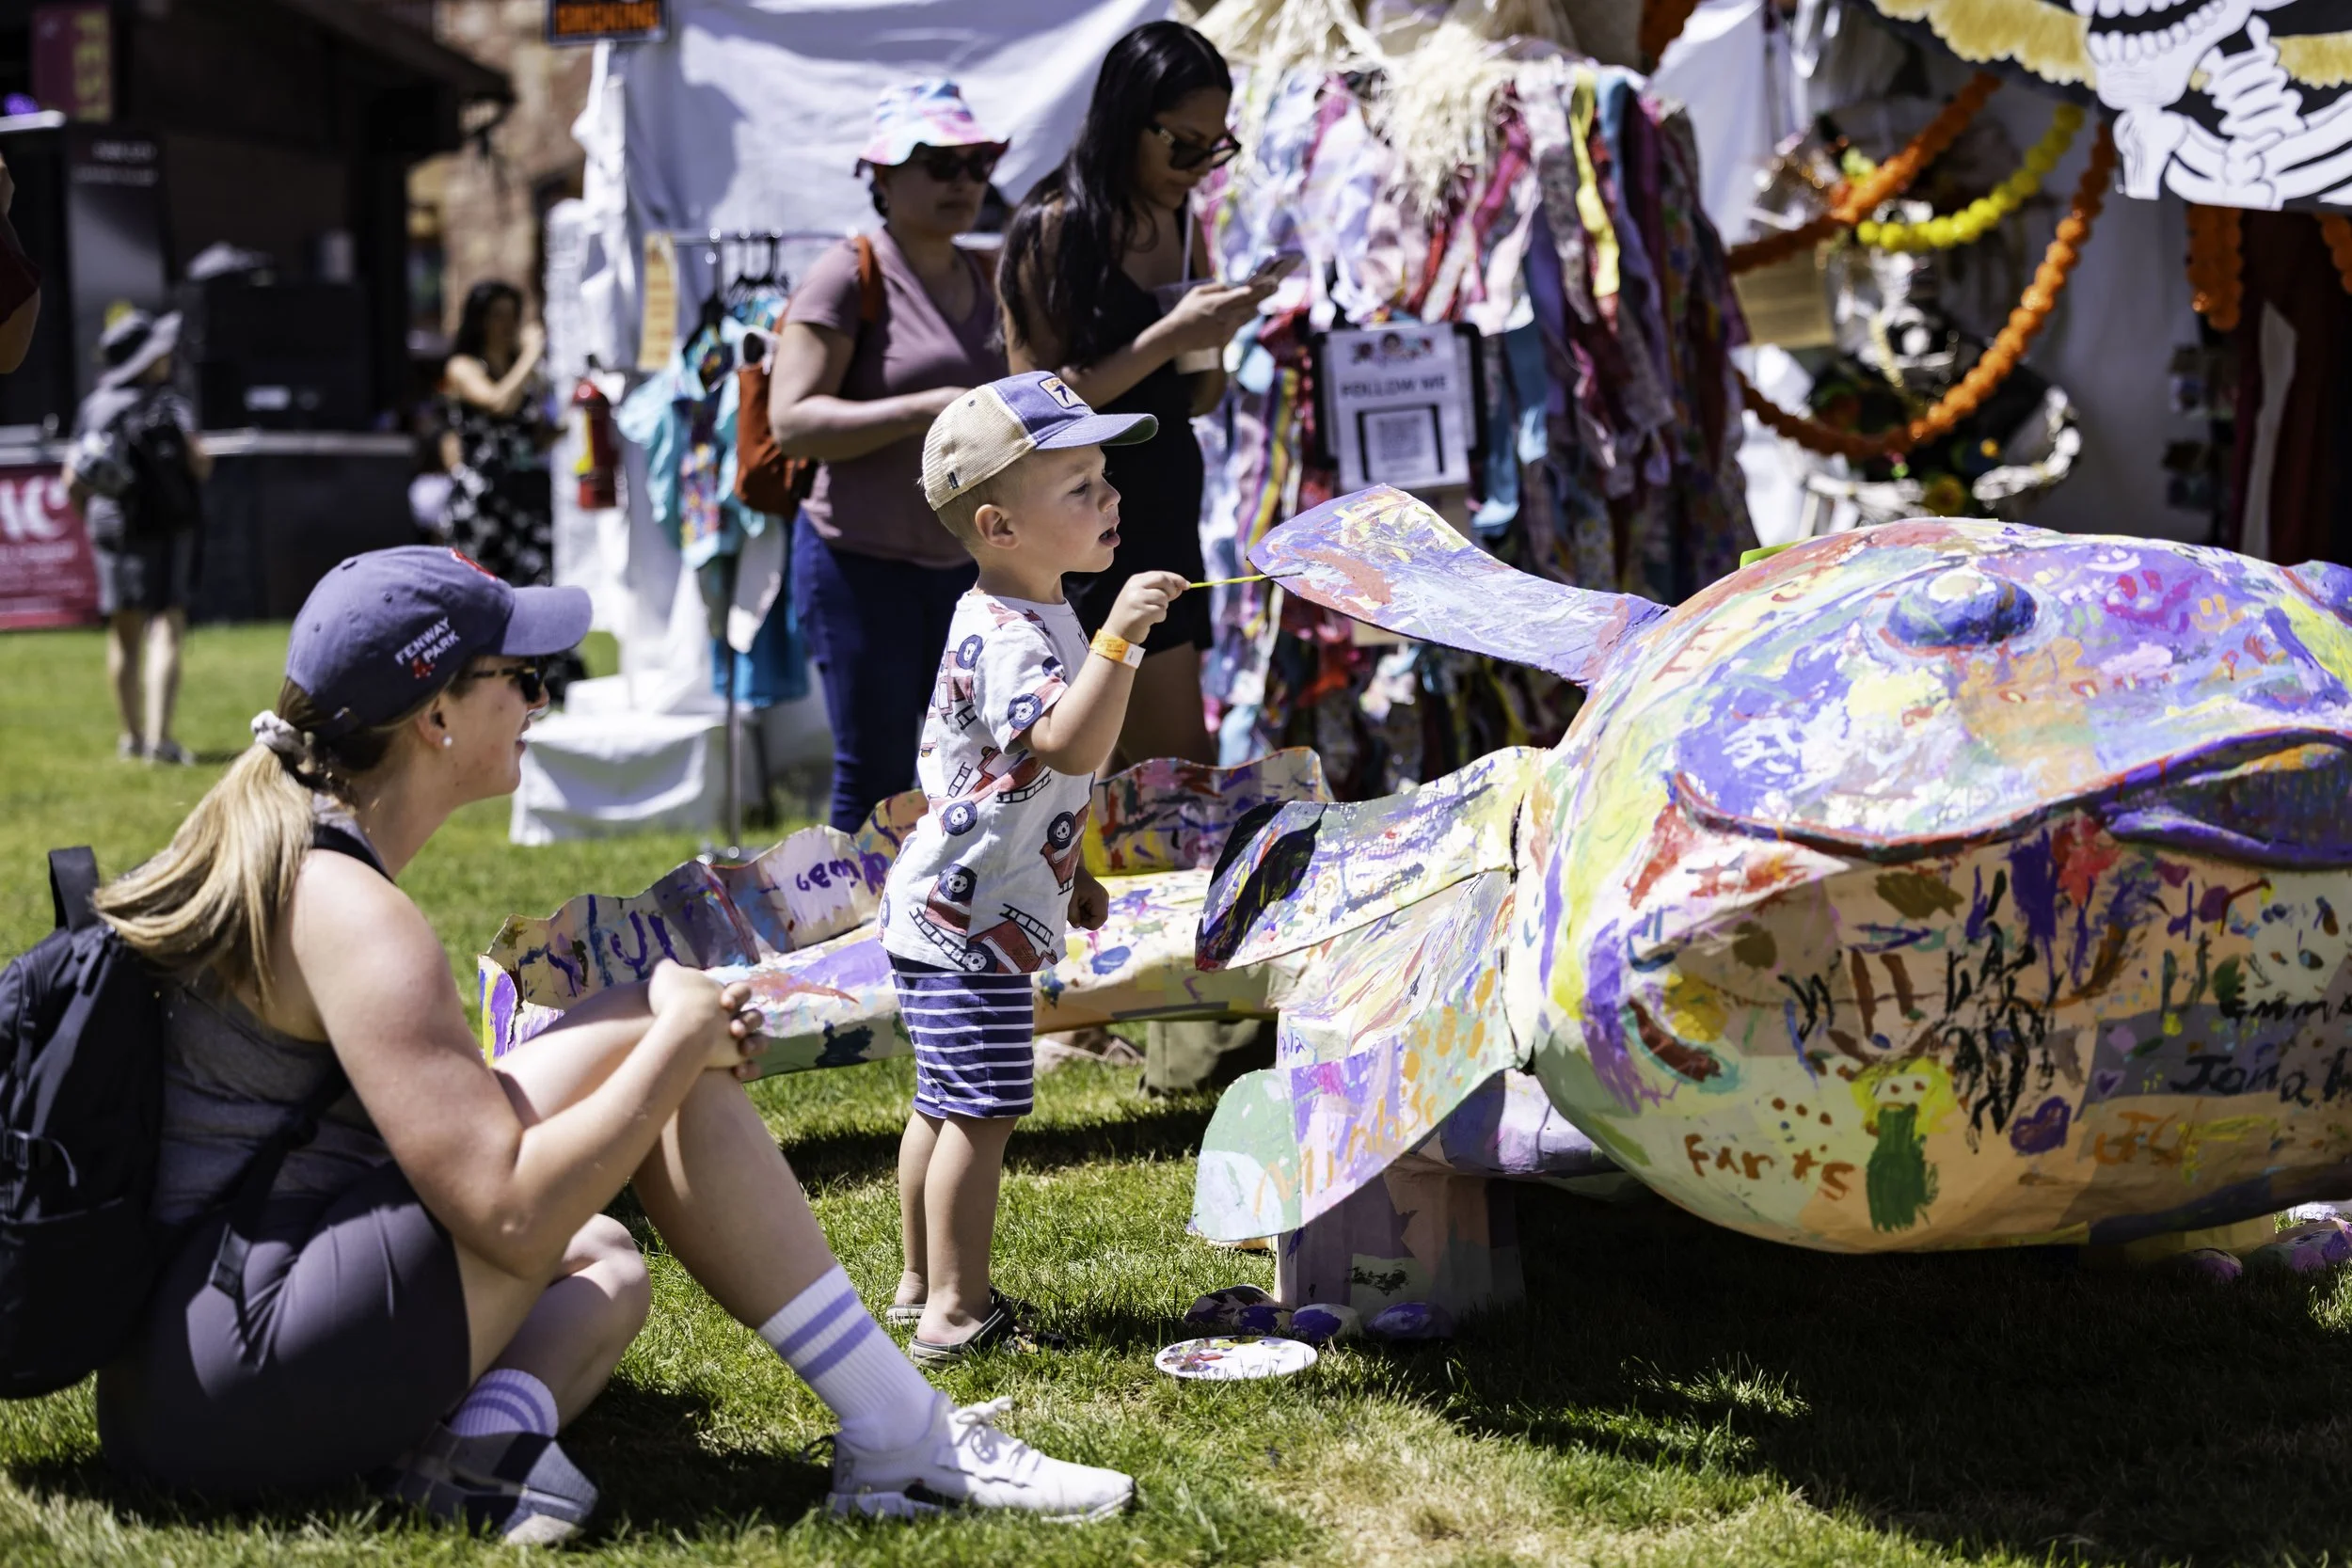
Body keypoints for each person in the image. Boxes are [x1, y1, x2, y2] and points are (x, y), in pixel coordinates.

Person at [89, 546, 1136, 1540]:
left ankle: (482, 1442)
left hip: (189, 1368)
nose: (544, 699)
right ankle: (901, 1435)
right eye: (522, 676)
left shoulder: (308, 858)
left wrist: (650, 1038)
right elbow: (505, 1210)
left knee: (603, 1263)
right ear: (437, 714)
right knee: (645, 1039)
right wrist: (672, 1045)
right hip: (233, 1382)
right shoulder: (352, 910)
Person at [882, 372, 1187, 1359]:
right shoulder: (1015, 632)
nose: (1111, 500)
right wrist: (1124, 638)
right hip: (967, 923)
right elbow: (1067, 745)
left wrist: (1076, 867)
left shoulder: (1041, 609)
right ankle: (956, 1314)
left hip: (959, 905)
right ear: (997, 525)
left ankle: (919, 1282)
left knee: (942, 1101)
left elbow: (1039, 783)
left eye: (1105, 478)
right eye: (1080, 487)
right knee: (982, 1109)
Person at [999, 21, 1271, 768]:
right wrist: (1171, 331)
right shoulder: (1055, 229)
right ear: (1127, 118)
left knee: (1171, 768)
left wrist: (1218, 328)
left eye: (1217, 148)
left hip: (1161, 504)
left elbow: (1203, 396)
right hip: (1076, 517)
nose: (1200, 167)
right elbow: (1034, 408)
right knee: (1116, 765)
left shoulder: (1179, 221)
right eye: (1184, 144)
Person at [768, 80, 1010, 832]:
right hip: (857, 565)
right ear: (881, 176)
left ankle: (955, 933)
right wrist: (920, 409)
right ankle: (852, 945)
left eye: (976, 163)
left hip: (966, 569)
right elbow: (793, 421)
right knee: (873, 780)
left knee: (979, 770)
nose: (964, 181)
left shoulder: (989, 272)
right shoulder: (848, 272)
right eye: (938, 163)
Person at [67, 309, 211, 764]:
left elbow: (72, 480)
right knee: (166, 626)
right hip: (166, 527)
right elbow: (200, 463)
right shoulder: (170, 404)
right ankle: (161, 740)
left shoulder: (95, 406)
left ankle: (130, 738)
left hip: (114, 527)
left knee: (123, 634)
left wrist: (91, 518)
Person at [439, 281, 558, 591]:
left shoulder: (524, 371)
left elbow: (530, 436)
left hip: (524, 493)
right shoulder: (463, 367)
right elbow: (497, 403)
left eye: (512, 315)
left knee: (535, 582)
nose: (506, 325)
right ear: (479, 320)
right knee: (481, 587)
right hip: (483, 497)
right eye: (497, 316)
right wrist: (531, 354)